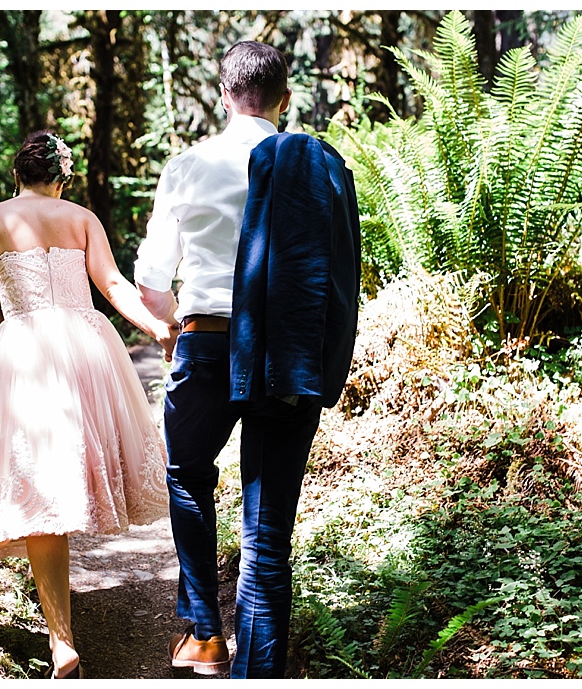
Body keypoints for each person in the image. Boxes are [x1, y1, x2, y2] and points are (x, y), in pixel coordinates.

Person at [0, 130, 178, 679]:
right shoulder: (81, 218)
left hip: (25, 353)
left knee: (39, 491)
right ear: (62, 177)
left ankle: (63, 639)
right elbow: (111, 284)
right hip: (88, 348)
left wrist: (13, 323)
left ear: (17, 175)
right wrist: (156, 326)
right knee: (89, 464)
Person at [135, 41, 361, 678]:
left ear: (224, 94)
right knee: (266, 535)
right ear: (284, 100)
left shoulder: (188, 166)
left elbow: (152, 278)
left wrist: (172, 328)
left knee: (186, 473)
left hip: (206, 341)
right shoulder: (314, 170)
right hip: (285, 351)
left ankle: (204, 634)